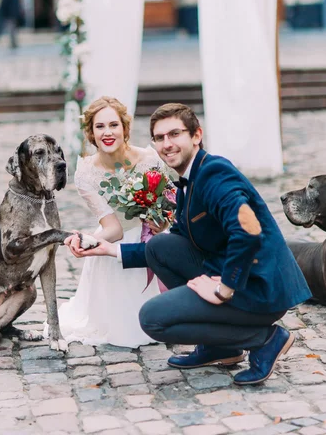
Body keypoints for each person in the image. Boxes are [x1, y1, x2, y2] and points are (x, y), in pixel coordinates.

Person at [69, 103, 311, 386]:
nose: (167, 144)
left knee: (152, 318)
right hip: (226, 271)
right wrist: (109, 249)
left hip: (259, 288)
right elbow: (178, 241)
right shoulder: (188, 180)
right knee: (162, 246)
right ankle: (220, 347)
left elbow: (247, 231)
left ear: (196, 135)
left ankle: (265, 339)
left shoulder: (216, 173)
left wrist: (223, 289)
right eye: (159, 138)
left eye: (174, 134)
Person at [48, 96, 168, 347]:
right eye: (99, 127)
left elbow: (165, 211)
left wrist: (160, 224)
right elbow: (113, 228)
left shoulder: (150, 160)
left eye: (113, 125)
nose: (107, 132)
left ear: (125, 128)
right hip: (115, 239)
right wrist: (87, 242)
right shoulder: (86, 173)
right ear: (91, 133)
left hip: (151, 239)